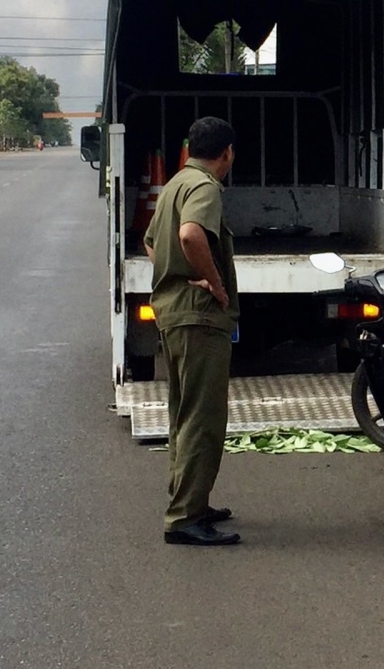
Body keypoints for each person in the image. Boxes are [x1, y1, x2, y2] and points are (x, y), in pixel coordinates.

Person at [143, 117, 242, 547]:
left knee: (184, 413)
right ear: (228, 153)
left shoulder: (175, 185)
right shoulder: (204, 187)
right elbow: (190, 234)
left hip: (174, 310)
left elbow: (152, 240)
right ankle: (184, 517)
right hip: (199, 317)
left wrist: (175, 276)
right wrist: (212, 282)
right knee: (204, 417)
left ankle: (191, 501)